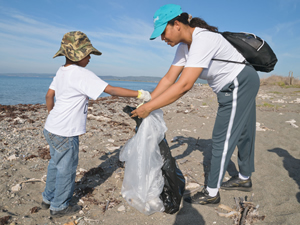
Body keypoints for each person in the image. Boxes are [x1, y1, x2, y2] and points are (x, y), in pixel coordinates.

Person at [131, 4, 260, 205]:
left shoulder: (203, 39)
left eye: (163, 33)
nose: (163, 39)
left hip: (238, 82)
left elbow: (184, 85)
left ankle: (211, 193)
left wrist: (149, 108)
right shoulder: (185, 47)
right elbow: (169, 79)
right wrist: (149, 101)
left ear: (177, 24)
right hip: (243, 81)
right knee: (243, 132)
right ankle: (243, 178)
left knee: (222, 138)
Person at [42, 31, 150, 217]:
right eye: (88, 54)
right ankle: (59, 207)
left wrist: (53, 115)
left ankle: (47, 198)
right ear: (79, 55)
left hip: (51, 127)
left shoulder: (62, 71)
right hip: (65, 132)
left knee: (55, 163)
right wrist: (140, 94)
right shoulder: (81, 74)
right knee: (66, 169)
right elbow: (112, 90)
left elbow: (49, 95)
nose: (90, 58)